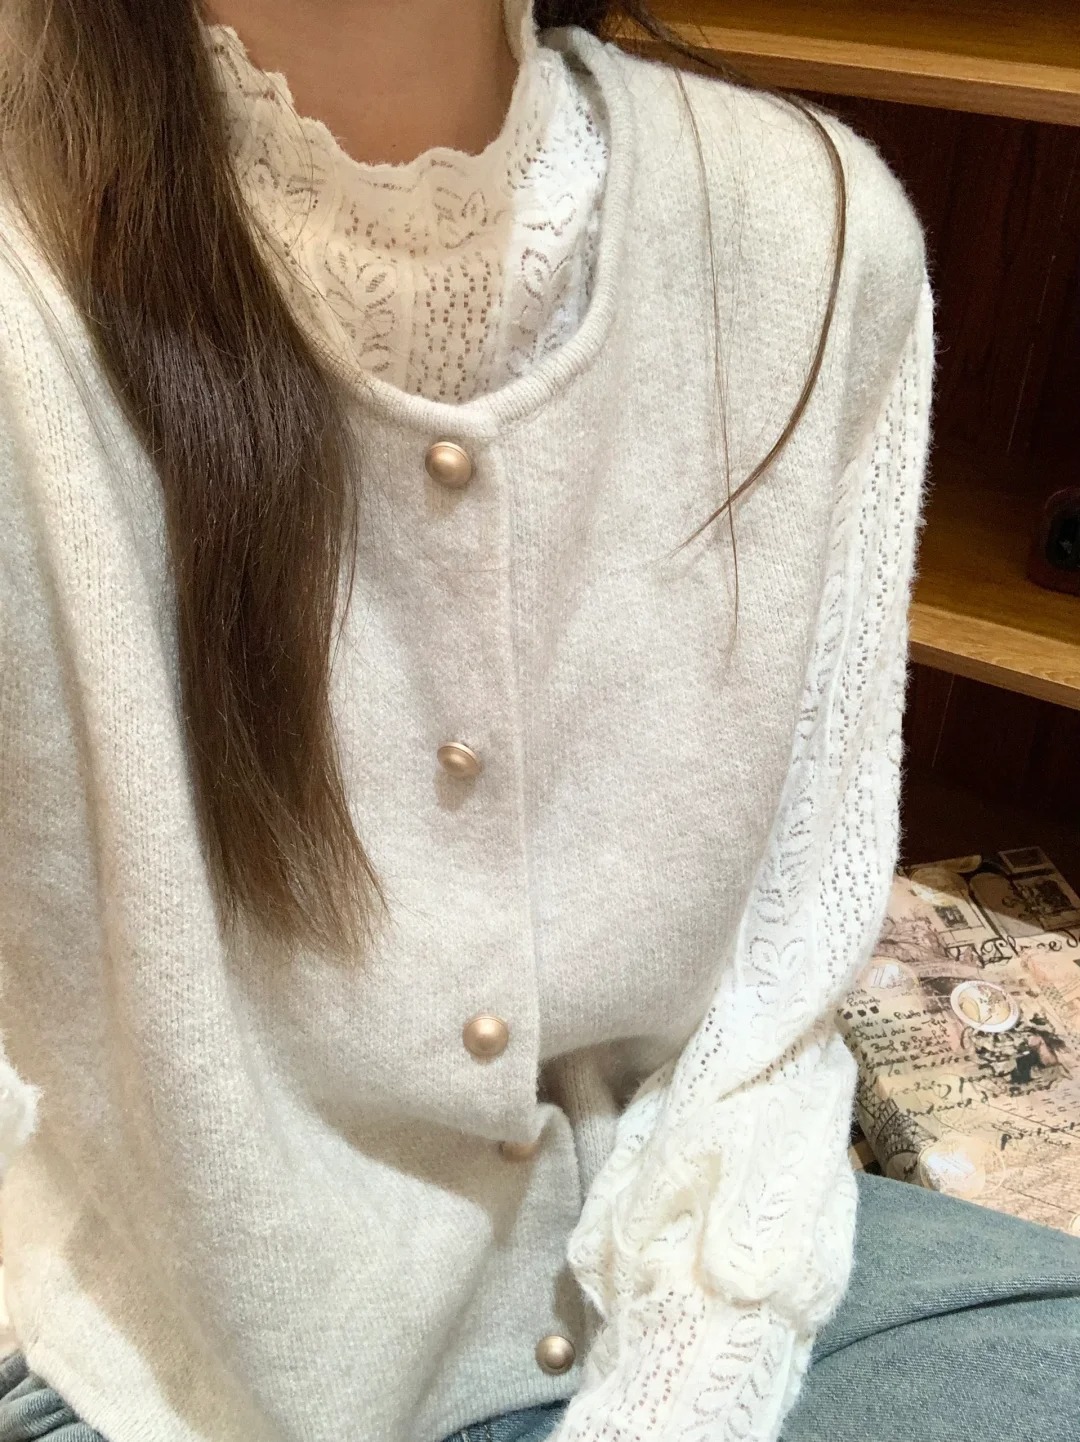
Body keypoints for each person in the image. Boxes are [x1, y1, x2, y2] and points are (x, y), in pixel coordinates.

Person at [0, 1, 1078, 1439]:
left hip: (687, 1243)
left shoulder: (815, 237)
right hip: (140, 1357)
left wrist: (684, 1390)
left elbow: (784, 964)